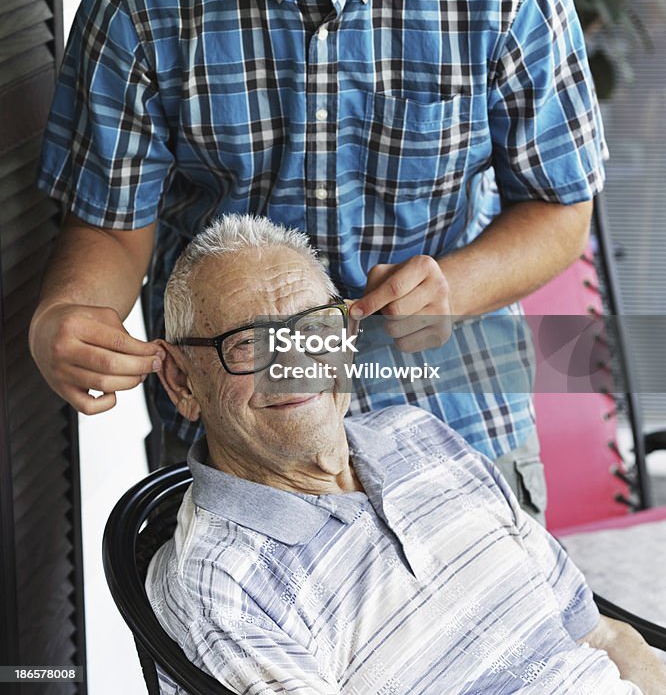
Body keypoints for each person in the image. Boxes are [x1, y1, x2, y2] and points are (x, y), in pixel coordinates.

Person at [29, 0, 606, 508]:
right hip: (238, 431)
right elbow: (114, 225)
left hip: (452, 409)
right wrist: (71, 313)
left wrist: (456, 281)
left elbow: (558, 211)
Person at [146, 214, 664, 695]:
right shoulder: (220, 585)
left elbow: (600, 636)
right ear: (180, 381)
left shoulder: (419, 437)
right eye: (248, 343)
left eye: (316, 326)